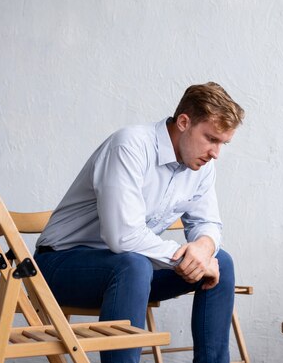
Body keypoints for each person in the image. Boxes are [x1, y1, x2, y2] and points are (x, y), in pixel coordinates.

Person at [35, 82, 245, 363]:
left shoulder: (202, 167)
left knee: (222, 262)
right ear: (184, 122)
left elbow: (207, 222)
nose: (216, 153)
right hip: (60, 265)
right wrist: (189, 257)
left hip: (131, 274)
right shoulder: (130, 145)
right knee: (132, 263)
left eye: (222, 143)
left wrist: (204, 248)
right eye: (211, 138)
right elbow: (122, 237)